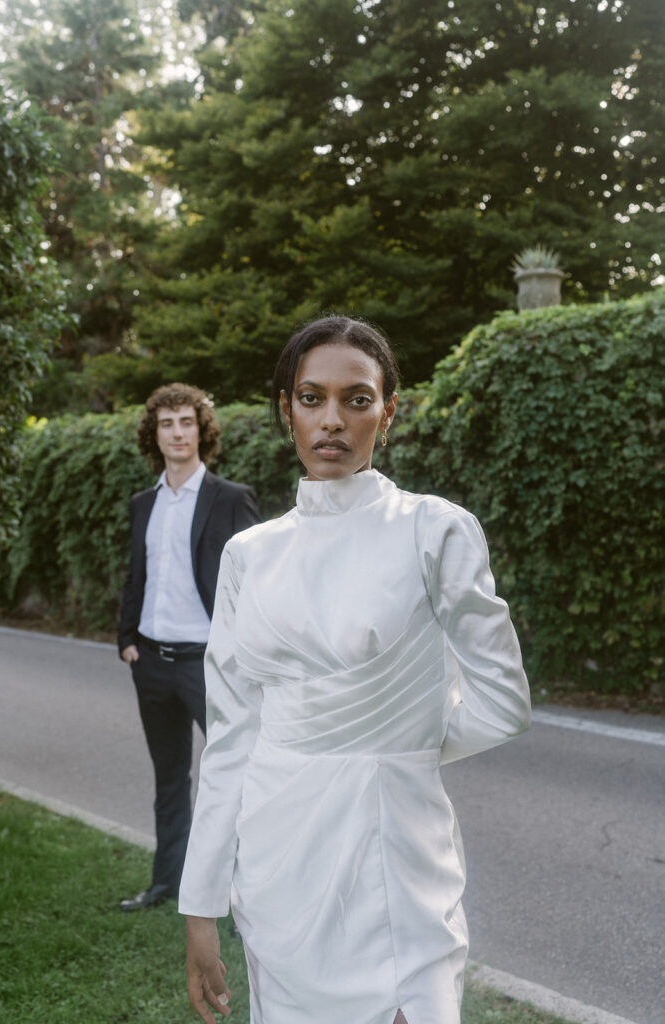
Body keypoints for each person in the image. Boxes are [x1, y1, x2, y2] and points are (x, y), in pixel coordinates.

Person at [179, 317, 531, 1023]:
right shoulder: (249, 555)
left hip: (397, 848)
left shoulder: (435, 530)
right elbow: (231, 736)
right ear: (287, 410)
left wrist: (397, 743)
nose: (332, 420)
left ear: (388, 410)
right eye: (312, 399)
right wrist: (201, 904)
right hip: (280, 858)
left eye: (357, 399)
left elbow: (503, 699)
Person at [117, 382, 260, 912]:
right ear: (154, 435)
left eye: (185, 422)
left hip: (209, 664)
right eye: (166, 424)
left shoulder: (229, 497)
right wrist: (126, 641)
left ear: (202, 430)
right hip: (150, 662)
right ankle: (167, 884)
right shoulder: (143, 504)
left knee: (235, 781)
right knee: (170, 779)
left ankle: (243, 893)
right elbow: (139, 576)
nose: (177, 432)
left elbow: (256, 582)